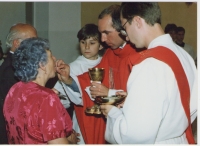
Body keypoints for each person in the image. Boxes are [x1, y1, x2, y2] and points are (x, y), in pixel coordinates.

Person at [100, 2, 197, 144]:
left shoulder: (149, 64)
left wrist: (112, 113)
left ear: (138, 21)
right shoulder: (183, 55)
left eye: (125, 27)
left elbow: (135, 135)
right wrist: (133, 101)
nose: (126, 36)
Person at [54, 5, 139, 144]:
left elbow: (142, 98)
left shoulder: (138, 54)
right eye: (101, 34)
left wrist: (110, 94)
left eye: (106, 33)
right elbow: (88, 80)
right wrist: (69, 80)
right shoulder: (110, 54)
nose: (103, 39)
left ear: (122, 29)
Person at [3, 37, 79, 144]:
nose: (54, 58)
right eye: (51, 56)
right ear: (42, 65)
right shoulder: (47, 97)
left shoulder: (15, 89)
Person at [54, 23, 104, 144]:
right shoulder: (72, 68)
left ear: (101, 45)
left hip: (104, 120)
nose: (87, 47)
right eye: (83, 42)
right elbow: (58, 101)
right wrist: (65, 128)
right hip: (83, 119)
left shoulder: (106, 62)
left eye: (92, 43)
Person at [0, 23, 37, 144]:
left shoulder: (17, 65)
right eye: (32, 42)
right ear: (17, 43)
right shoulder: (11, 69)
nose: (36, 47)